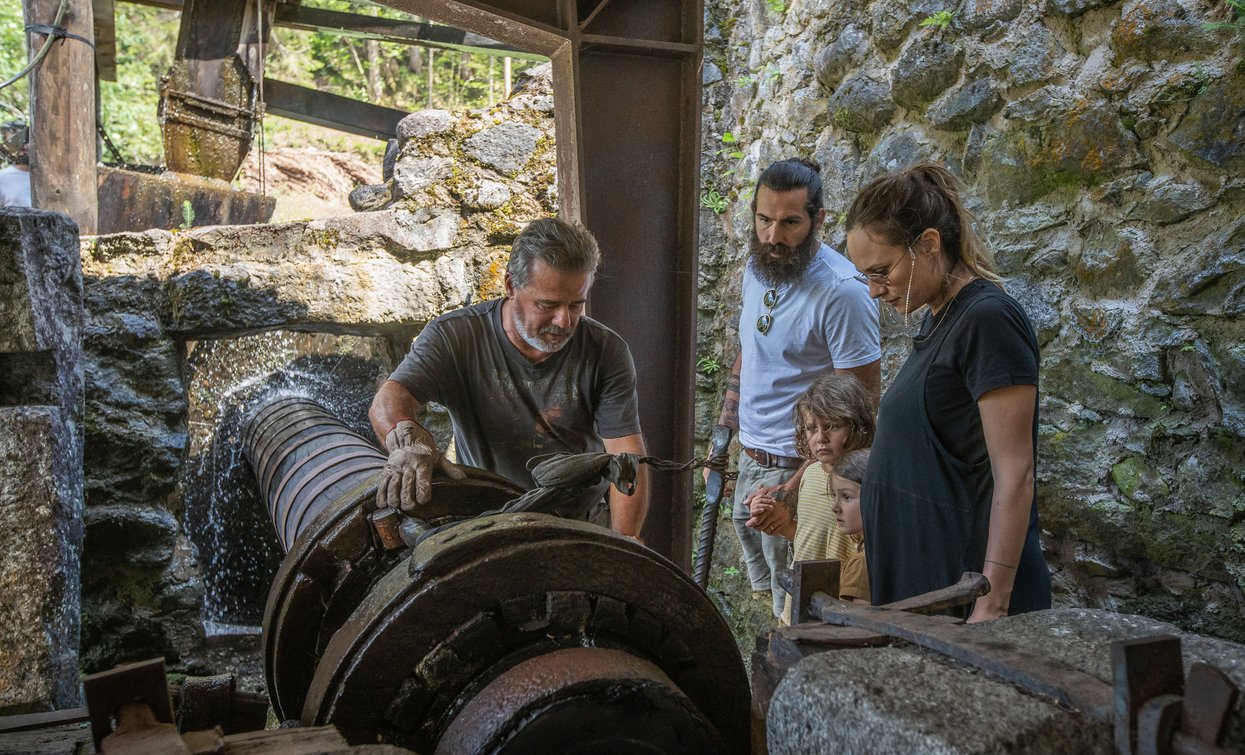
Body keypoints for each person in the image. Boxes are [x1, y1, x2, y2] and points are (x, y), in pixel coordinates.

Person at [844, 162, 1051, 620]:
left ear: (929, 244)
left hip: (969, 600)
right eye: (866, 278)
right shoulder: (941, 317)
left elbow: (1016, 472)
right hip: (930, 591)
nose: (875, 291)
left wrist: (991, 603)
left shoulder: (989, 320)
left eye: (882, 271)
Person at [368, 216, 649, 541]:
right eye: (548, 304)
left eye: (576, 304)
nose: (564, 320)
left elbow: (627, 457)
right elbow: (389, 400)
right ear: (510, 286)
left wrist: (626, 543)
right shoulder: (456, 337)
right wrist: (408, 441)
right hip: (489, 519)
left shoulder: (605, 351)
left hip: (579, 519)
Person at [708, 158, 881, 618]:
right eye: (763, 220)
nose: (772, 236)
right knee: (769, 601)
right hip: (751, 462)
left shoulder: (842, 291)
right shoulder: (759, 265)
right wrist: (725, 439)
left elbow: (860, 409)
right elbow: (750, 350)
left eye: (789, 223)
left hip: (801, 475)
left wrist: (797, 485)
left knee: (800, 613)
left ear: (818, 219)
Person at [746, 373, 874, 623]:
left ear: (857, 426)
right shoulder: (811, 474)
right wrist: (780, 525)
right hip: (798, 602)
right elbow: (810, 533)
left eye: (832, 427)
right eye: (811, 428)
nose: (820, 438)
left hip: (839, 607)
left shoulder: (864, 482)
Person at [829, 449, 871, 605]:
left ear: (874, 497)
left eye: (846, 497)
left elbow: (857, 625)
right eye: (834, 496)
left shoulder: (862, 564)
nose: (835, 507)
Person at [0, 121, 31, 208]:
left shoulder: (58, 177)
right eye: (15, 144)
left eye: (26, 140)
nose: (23, 147)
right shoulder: (2, 179)